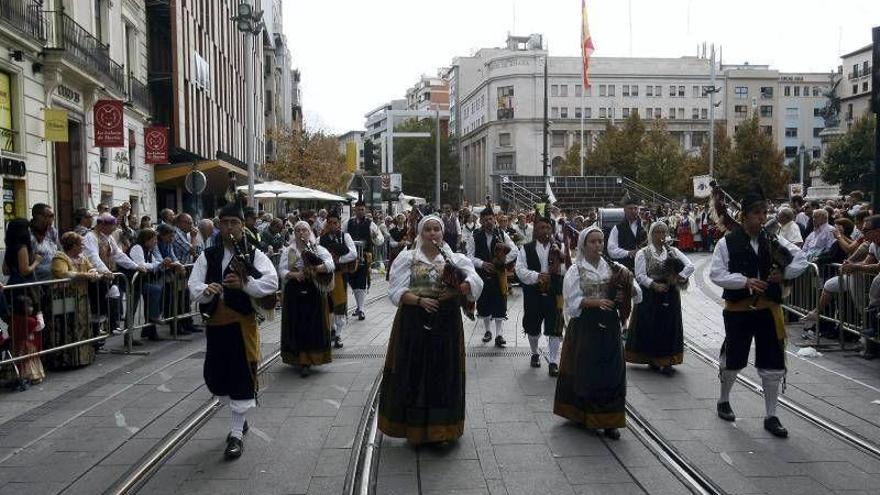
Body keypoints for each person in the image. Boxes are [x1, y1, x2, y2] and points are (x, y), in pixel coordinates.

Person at [710, 188, 807, 438]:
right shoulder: (727, 242)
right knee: (733, 359)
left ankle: (771, 415)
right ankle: (723, 399)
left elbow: (802, 259)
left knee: (773, 363)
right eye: (756, 213)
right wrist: (745, 282)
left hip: (768, 311)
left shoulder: (772, 240)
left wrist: (784, 273)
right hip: (739, 311)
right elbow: (717, 274)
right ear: (744, 216)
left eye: (764, 213)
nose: (761, 218)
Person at [378, 215, 482, 444]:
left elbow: (476, 281)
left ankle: (442, 430)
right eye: (428, 230)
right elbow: (395, 291)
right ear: (420, 233)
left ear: (443, 233)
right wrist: (419, 300)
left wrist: (459, 289)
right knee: (414, 371)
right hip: (413, 322)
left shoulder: (454, 258)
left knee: (443, 372)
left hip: (446, 323)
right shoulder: (408, 257)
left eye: (437, 229)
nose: (433, 233)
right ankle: (415, 430)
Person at [188, 201, 279, 460]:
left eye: (234, 223)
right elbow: (193, 284)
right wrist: (205, 291)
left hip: (242, 326)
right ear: (218, 225)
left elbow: (271, 281)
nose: (229, 228)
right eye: (225, 223)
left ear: (242, 226)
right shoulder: (209, 255)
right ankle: (239, 417)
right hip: (216, 324)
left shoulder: (254, 254)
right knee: (216, 377)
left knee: (241, 377)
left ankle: (236, 434)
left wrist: (245, 284)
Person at [554, 226, 641, 439]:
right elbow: (572, 304)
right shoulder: (576, 270)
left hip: (609, 325)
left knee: (612, 371)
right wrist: (595, 301)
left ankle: (611, 420)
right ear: (583, 245)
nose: (597, 245)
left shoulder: (614, 267)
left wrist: (626, 290)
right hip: (585, 326)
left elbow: (637, 294)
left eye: (600, 241)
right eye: (593, 242)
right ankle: (587, 415)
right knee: (588, 371)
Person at [625, 222, 694, 374]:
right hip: (651, 294)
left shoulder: (673, 251)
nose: (661, 236)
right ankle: (651, 358)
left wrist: (679, 277)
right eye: (657, 232)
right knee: (651, 325)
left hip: (670, 293)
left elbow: (690, 265)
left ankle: (667, 360)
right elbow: (640, 275)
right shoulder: (643, 252)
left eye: (663, 232)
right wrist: (654, 285)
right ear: (651, 234)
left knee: (669, 326)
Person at [279, 221, 334, 376]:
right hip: (294, 293)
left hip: (314, 292)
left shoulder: (317, 249)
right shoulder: (288, 251)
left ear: (310, 232)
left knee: (313, 325)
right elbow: (281, 270)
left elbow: (330, 264)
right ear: (294, 233)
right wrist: (295, 274)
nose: (301, 233)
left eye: (304, 230)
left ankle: (311, 358)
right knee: (297, 324)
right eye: (298, 230)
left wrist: (316, 268)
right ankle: (300, 359)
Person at [515, 210, 566, 376]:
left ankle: (552, 361)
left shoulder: (559, 247)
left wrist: (561, 261)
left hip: (555, 292)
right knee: (532, 325)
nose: (545, 230)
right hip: (533, 292)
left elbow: (568, 269)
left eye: (548, 228)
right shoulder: (526, 248)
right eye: (541, 228)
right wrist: (537, 276)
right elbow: (520, 270)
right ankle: (535, 353)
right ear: (535, 231)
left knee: (555, 326)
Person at [83, 214, 145, 343]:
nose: (114, 228)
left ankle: (113, 325)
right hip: (95, 277)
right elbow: (93, 257)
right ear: (102, 225)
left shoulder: (108, 237)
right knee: (96, 309)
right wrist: (104, 270)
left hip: (106, 277)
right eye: (112, 225)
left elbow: (118, 255)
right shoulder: (90, 237)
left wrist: (135, 266)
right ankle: (95, 338)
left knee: (113, 294)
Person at [47, 232, 102, 369]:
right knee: (65, 326)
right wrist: (86, 275)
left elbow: (91, 267)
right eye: (80, 244)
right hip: (64, 298)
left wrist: (93, 272)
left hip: (81, 298)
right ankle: (64, 360)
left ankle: (82, 358)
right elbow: (64, 273)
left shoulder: (82, 257)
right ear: (73, 245)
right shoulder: (60, 257)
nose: (83, 247)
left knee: (81, 326)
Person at [467, 204, 517, 347]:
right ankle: (488, 331)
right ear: (481, 221)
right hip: (482, 275)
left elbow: (514, 250)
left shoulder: (501, 234)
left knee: (500, 302)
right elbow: (469, 256)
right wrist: (482, 264)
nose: (489, 222)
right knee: (484, 303)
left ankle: (499, 334)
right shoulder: (475, 236)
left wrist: (502, 261)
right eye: (486, 219)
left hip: (499, 275)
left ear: (494, 219)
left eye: (491, 219)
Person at [319, 208, 357, 348]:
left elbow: (353, 254)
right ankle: (331, 330)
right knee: (327, 304)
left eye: (335, 222)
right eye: (330, 223)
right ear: (327, 223)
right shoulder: (320, 239)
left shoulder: (345, 237)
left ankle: (339, 334)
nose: (332, 225)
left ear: (339, 223)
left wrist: (338, 259)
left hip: (340, 275)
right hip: (325, 276)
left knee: (340, 304)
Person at [345, 201, 384, 320]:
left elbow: (380, 240)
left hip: (364, 256)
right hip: (350, 257)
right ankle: (358, 307)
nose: (360, 212)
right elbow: (342, 235)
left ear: (365, 210)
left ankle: (361, 309)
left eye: (362, 209)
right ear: (354, 210)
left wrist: (374, 236)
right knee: (352, 281)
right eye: (358, 209)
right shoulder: (348, 222)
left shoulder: (370, 224)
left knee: (361, 281)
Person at [129, 228, 168, 340]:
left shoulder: (148, 250)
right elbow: (141, 265)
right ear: (146, 239)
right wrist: (156, 265)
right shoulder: (137, 248)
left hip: (141, 282)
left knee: (156, 291)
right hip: (133, 283)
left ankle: (151, 327)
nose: (155, 242)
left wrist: (157, 264)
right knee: (132, 310)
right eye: (153, 240)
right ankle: (129, 338)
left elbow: (155, 262)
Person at [607, 197, 647, 272]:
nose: (633, 211)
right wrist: (628, 253)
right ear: (624, 210)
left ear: (639, 210)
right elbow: (611, 250)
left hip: (644, 267)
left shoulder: (645, 225)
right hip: (625, 269)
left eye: (635, 208)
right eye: (630, 208)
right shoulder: (617, 228)